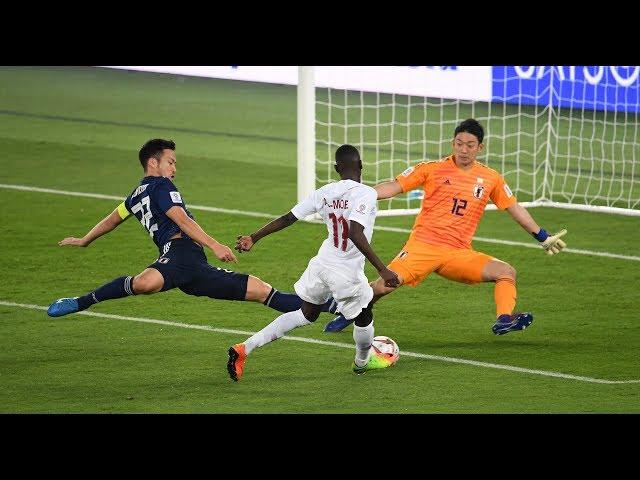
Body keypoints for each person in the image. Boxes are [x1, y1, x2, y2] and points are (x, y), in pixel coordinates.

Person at [324, 119, 567, 335]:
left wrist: (542, 236)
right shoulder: (431, 169)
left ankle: (504, 319)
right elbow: (394, 186)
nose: (463, 149)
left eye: (470, 145)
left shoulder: (491, 178)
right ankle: (350, 311)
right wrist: (360, 194)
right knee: (383, 285)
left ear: (480, 148)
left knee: (506, 272)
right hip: (423, 247)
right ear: (453, 143)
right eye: (459, 143)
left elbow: (514, 208)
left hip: (458, 253)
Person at [47, 139, 335, 318]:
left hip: (192, 266)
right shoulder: (160, 185)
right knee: (144, 283)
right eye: (170, 162)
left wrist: (86, 239)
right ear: (153, 162)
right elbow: (181, 219)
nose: (174, 168)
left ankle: (336, 307)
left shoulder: (135, 196)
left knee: (261, 291)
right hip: (178, 255)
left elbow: (112, 219)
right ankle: (80, 302)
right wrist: (215, 244)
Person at [227, 144, 400, 381]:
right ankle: (362, 362)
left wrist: (253, 237)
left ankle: (245, 348)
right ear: (361, 166)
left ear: (336, 168)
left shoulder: (324, 192)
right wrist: (383, 269)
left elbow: (289, 218)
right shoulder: (366, 193)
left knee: (307, 314)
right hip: (345, 272)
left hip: (321, 264)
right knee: (364, 313)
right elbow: (355, 233)